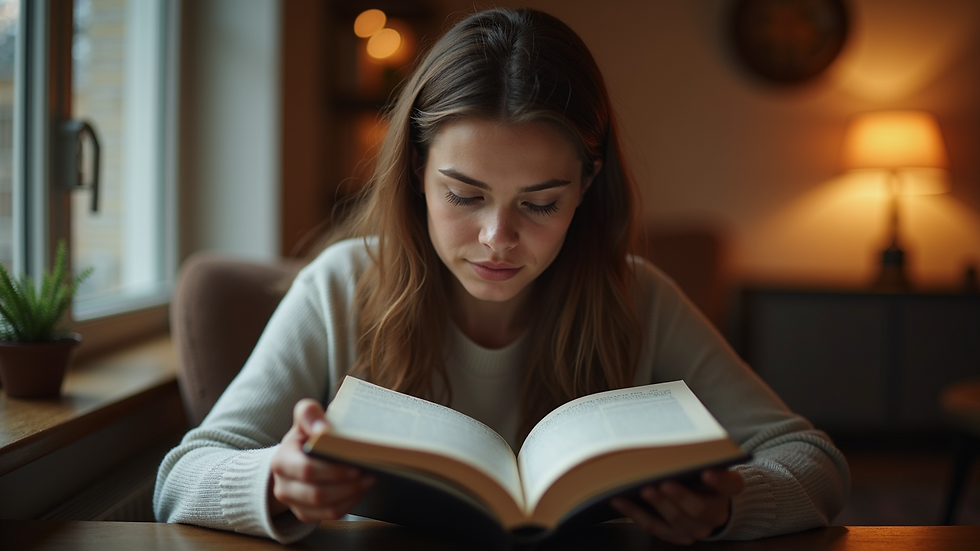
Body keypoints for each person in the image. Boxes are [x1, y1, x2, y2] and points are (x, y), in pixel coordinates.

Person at [154, 7, 849, 545]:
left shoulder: (638, 296)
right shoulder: (338, 285)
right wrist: (277, 480)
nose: (498, 238)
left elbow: (812, 458)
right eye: (463, 195)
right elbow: (182, 476)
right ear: (417, 175)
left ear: (587, 186)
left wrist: (730, 505)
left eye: (541, 203)